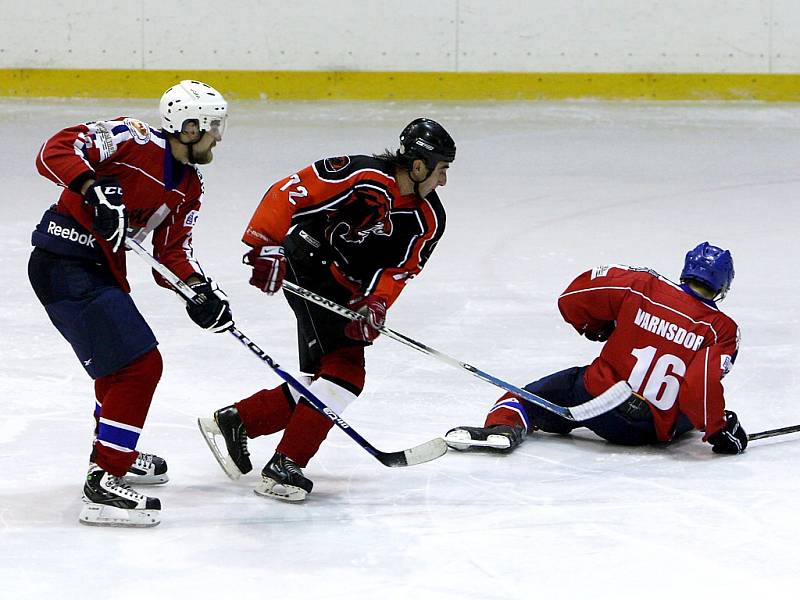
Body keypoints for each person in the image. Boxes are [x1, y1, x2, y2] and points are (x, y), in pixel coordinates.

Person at [199, 118, 456, 501]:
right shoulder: (358, 173)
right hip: (308, 260)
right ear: (418, 166)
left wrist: (377, 304)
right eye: (441, 170)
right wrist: (264, 245)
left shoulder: (429, 219)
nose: (444, 181)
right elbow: (286, 192)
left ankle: (239, 421)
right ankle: (285, 465)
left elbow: (399, 271)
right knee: (346, 375)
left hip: (344, 286)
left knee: (326, 378)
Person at [28, 80, 234, 527]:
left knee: (117, 367)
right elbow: (54, 150)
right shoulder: (131, 138)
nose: (219, 137)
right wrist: (90, 186)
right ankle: (104, 481)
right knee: (140, 366)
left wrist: (199, 290)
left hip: (99, 271)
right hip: (64, 262)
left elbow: (171, 257)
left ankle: (112, 450)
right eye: (213, 127)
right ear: (188, 126)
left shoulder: (188, 186)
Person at [445, 242, 747, 456]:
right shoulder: (723, 329)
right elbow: (699, 386)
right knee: (694, 413)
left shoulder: (643, 285)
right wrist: (718, 428)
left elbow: (573, 296)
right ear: (722, 288)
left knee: (527, 398)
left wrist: (595, 327)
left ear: (685, 271)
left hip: (598, 402)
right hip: (652, 430)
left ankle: (505, 426)